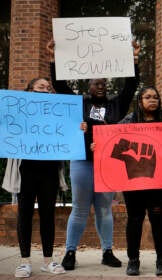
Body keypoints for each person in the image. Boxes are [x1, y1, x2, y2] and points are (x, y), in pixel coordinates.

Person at [46, 39, 140, 270]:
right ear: (87, 85)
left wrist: (134, 58)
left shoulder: (116, 105)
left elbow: (131, 86)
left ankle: (107, 251)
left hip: (108, 163)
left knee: (104, 209)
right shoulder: (79, 103)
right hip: (82, 162)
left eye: (104, 83)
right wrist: (53, 58)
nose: (101, 85)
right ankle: (70, 252)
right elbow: (60, 85)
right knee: (79, 208)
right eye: (96, 83)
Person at [1, 78, 66, 278]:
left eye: (48, 88)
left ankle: (48, 260)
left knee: (48, 215)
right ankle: (24, 261)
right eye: (40, 87)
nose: (45, 90)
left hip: (49, 171)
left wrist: (78, 128)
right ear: (29, 91)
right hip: (25, 170)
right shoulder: (17, 113)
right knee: (24, 215)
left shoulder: (59, 114)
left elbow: (68, 134)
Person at [118, 86, 162, 276]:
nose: (152, 100)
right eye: (147, 97)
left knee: (158, 220)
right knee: (134, 220)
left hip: (158, 182)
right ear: (140, 101)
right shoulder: (127, 122)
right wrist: (96, 145)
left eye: (156, 97)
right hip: (133, 182)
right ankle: (133, 261)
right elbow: (112, 144)